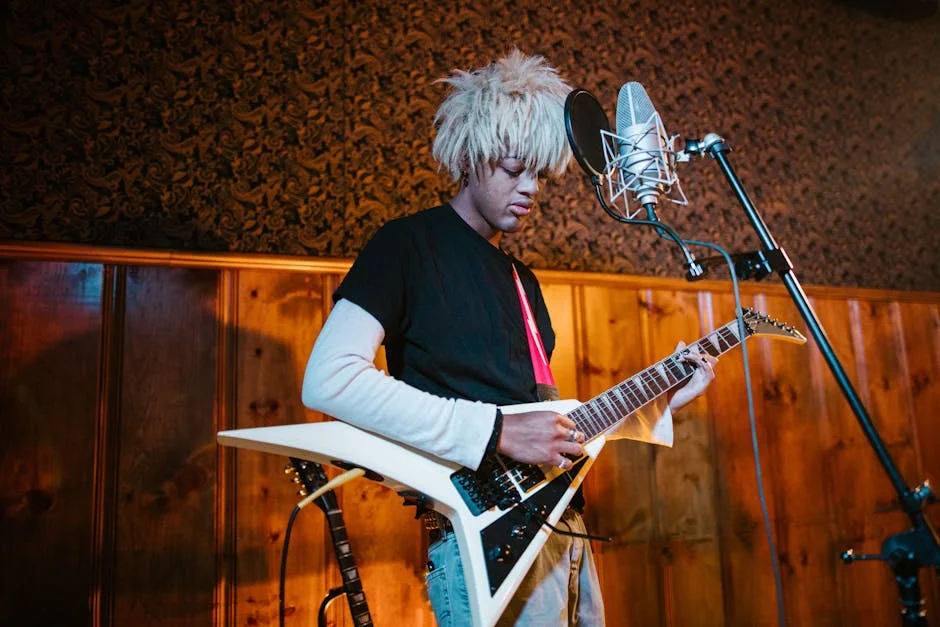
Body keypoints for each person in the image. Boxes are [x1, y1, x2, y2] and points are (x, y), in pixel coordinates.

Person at [301, 49, 717, 626]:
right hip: (483, 540)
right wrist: (495, 431)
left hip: (564, 532)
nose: (530, 188)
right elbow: (329, 379)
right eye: (513, 168)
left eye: (538, 175)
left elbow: (548, 431)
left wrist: (662, 401)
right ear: (469, 157)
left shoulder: (524, 281)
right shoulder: (407, 246)